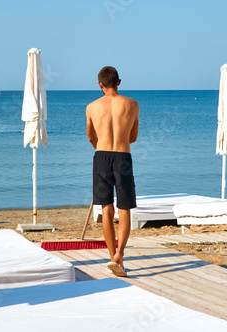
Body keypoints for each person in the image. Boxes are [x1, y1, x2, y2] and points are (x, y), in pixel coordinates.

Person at [86, 66, 139, 277]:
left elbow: (91, 137)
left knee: (106, 209)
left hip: (101, 157)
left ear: (100, 85)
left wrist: (102, 148)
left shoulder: (91, 107)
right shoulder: (132, 104)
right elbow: (132, 137)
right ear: (119, 82)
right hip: (123, 157)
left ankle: (112, 257)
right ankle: (120, 256)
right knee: (124, 209)